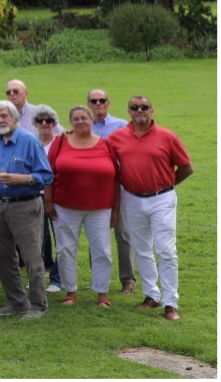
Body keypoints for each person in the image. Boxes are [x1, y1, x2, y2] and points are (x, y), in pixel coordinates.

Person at [107, 95, 191, 321]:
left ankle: (170, 302)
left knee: (165, 250)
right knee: (142, 249)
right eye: (135, 107)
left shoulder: (166, 136)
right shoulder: (117, 138)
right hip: (132, 199)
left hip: (161, 198)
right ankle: (151, 295)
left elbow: (186, 167)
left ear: (152, 111)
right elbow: (103, 158)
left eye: (144, 107)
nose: (139, 110)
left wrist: (166, 184)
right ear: (129, 112)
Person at [0, 99, 53, 319]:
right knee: (2, 254)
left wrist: (22, 178)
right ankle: (17, 302)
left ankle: (38, 305)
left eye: (4, 116)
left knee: (32, 256)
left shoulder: (29, 141)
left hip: (25, 204)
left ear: (15, 118)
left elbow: (46, 176)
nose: (0, 120)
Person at [46, 105, 117, 308]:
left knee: (102, 250)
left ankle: (102, 293)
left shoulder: (106, 144)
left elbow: (116, 179)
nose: (80, 122)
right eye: (76, 119)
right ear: (71, 122)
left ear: (91, 120)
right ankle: (70, 292)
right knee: (66, 249)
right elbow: (48, 174)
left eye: (84, 118)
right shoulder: (60, 142)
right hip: (65, 207)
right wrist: (48, 203)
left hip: (100, 207)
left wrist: (116, 209)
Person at [87, 88, 135, 294]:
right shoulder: (84, 126)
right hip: (92, 187)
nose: (98, 104)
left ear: (108, 103)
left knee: (122, 234)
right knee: (95, 235)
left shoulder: (121, 126)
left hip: (118, 185)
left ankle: (128, 281)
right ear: (89, 104)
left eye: (102, 100)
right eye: (94, 101)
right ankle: (98, 280)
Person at [32, 105, 65, 290]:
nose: (44, 123)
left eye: (49, 120)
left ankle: (57, 279)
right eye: (40, 120)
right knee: (37, 241)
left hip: (57, 198)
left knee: (61, 239)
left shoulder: (60, 143)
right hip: (35, 197)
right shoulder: (31, 143)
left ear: (54, 123)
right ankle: (38, 278)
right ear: (35, 123)